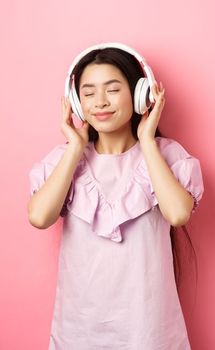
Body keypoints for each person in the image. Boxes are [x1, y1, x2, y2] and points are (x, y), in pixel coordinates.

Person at [27, 43, 204, 349]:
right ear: (76, 102)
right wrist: (74, 146)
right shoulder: (64, 160)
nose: (100, 102)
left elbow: (177, 214)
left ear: (138, 94)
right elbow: (40, 217)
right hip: (80, 325)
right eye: (88, 92)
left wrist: (147, 141)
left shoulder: (167, 156)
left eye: (112, 89)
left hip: (147, 327)